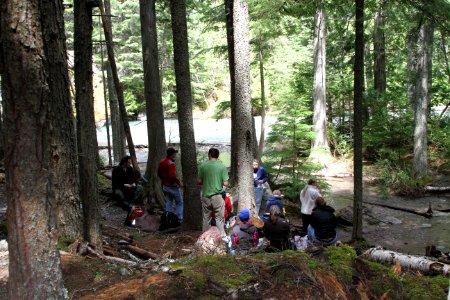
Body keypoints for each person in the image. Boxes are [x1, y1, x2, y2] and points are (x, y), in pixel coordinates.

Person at [197, 148, 229, 238]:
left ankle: (205, 238)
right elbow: (226, 183)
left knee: (206, 218)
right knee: (219, 218)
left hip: (205, 195)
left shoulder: (203, 166)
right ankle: (221, 238)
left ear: (209, 155)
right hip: (217, 196)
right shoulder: (222, 166)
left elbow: (199, 181)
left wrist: (206, 181)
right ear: (217, 156)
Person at [158, 147, 183, 223]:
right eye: (175, 153)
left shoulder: (162, 162)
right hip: (172, 187)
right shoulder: (171, 164)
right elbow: (172, 176)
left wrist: (164, 180)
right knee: (179, 203)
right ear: (172, 154)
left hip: (165, 186)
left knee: (169, 202)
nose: (175, 154)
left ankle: (168, 219)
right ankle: (179, 219)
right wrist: (179, 183)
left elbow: (159, 173)